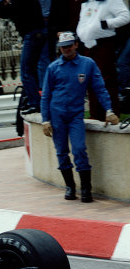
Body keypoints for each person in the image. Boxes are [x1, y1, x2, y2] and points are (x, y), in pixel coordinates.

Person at [40, 31, 120, 203]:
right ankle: (70, 186)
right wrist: (45, 120)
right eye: (63, 47)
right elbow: (46, 95)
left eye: (69, 46)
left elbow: (99, 88)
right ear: (59, 48)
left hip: (75, 114)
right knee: (61, 152)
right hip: (57, 114)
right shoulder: (53, 68)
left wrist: (109, 110)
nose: (66, 50)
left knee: (79, 149)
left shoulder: (87, 64)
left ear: (76, 45)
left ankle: (86, 189)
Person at [0, 0, 72, 114]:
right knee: (46, 65)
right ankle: (51, 99)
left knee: (27, 71)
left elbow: (6, 12)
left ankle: (36, 103)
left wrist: (2, 3)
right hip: (49, 30)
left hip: (33, 31)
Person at [76, 0, 130, 121]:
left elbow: (126, 16)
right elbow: (83, 21)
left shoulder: (111, 1)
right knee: (89, 79)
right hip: (87, 46)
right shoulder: (86, 3)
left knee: (106, 79)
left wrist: (105, 24)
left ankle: (112, 112)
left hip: (104, 44)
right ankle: (95, 114)